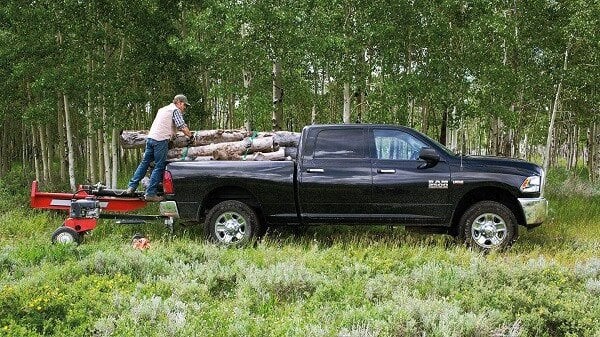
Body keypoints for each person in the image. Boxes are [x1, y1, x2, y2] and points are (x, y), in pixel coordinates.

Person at [126, 94, 193, 201]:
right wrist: (191, 136)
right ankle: (150, 193)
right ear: (179, 102)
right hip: (160, 141)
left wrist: (172, 135)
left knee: (144, 163)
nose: (185, 108)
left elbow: (165, 125)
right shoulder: (175, 110)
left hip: (151, 139)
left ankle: (131, 187)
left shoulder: (163, 109)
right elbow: (182, 126)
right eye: (185, 105)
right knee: (159, 166)